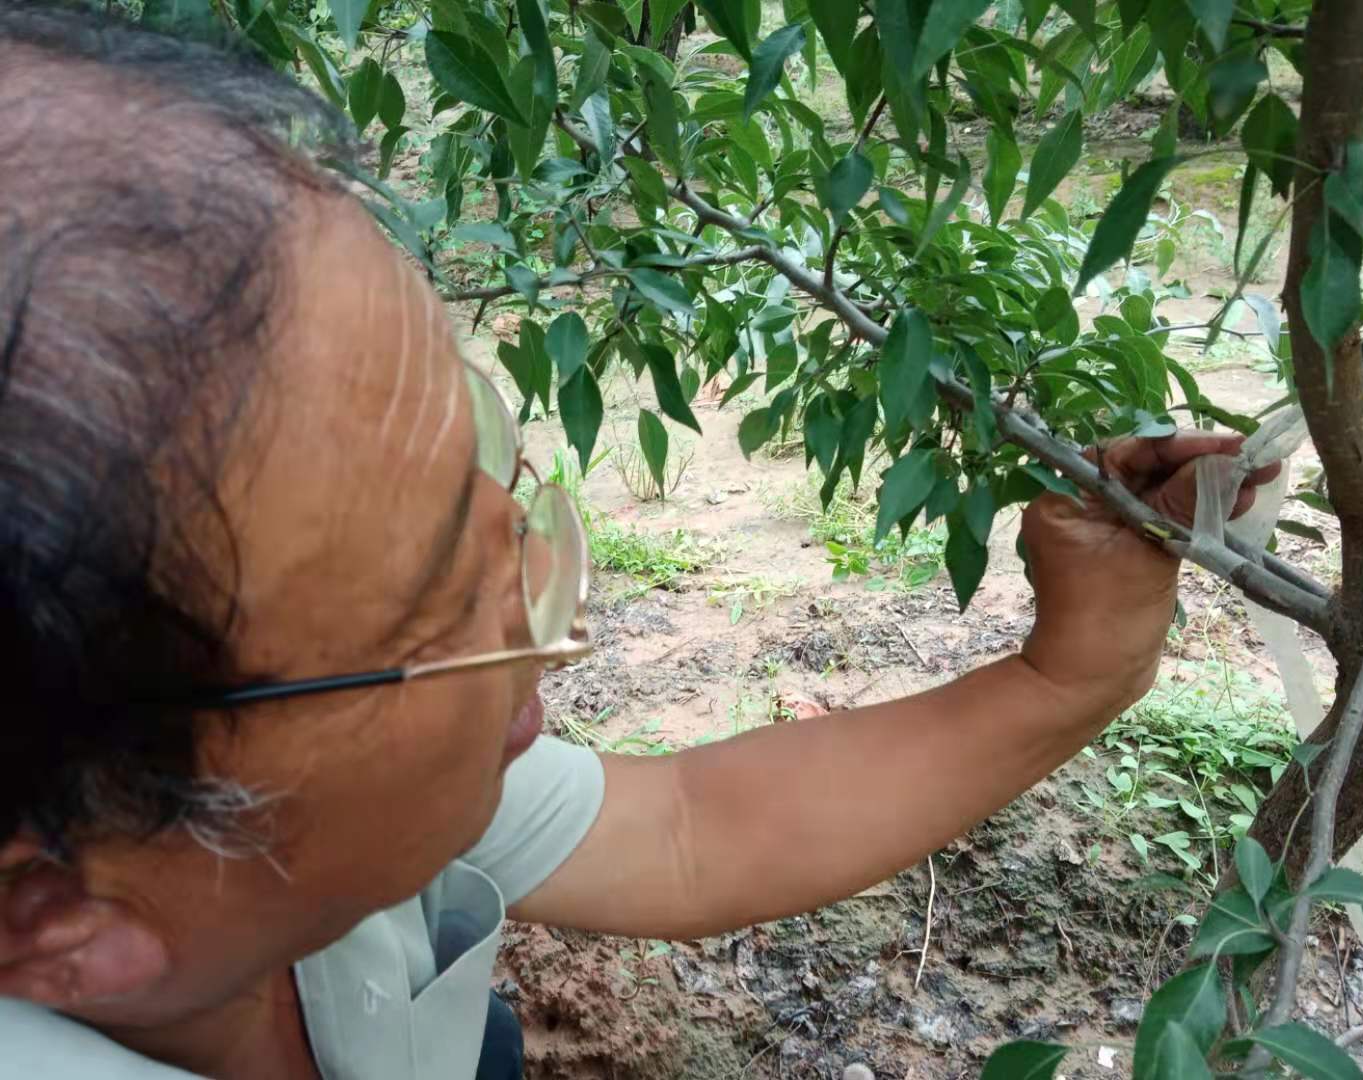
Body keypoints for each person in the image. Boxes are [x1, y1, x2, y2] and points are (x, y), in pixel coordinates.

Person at [0, 5, 1279, 1078]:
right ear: (54, 915)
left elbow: (687, 827)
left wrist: (1072, 671)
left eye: (501, 504)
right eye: (449, 612)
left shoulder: (277, 817)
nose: (552, 635)